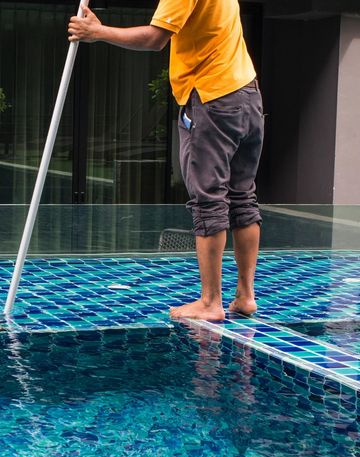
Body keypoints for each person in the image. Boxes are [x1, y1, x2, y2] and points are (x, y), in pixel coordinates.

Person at [68, 1, 264, 320]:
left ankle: (210, 302)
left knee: (209, 201)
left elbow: (154, 38)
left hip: (212, 100)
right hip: (248, 96)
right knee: (243, 197)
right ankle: (245, 296)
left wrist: (97, 32)